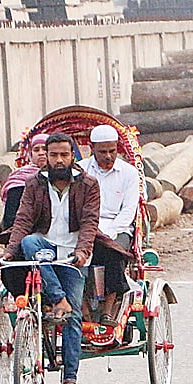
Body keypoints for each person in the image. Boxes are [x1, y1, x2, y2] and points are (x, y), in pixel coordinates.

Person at [1, 133, 100, 384]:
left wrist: (82, 251)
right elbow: (23, 219)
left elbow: (90, 222)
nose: (58, 160)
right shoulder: (34, 184)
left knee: (73, 315)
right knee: (29, 242)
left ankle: (70, 378)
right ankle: (57, 299)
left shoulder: (88, 185)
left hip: (73, 254)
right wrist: (10, 250)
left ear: (72, 156)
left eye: (64, 155)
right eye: (53, 154)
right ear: (46, 156)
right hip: (44, 248)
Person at [80, 124, 140, 326]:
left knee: (114, 252)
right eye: (102, 152)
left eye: (112, 151)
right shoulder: (80, 170)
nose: (108, 156)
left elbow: (129, 210)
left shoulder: (129, 173)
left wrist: (110, 232)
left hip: (118, 228)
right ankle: (83, 309)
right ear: (92, 149)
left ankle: (108, 308)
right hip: (86, 226)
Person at [1, 134, 49, 230]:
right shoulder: (20, 178)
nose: (41, 153)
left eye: (45, 149)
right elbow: (10, 219)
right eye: (36, 150)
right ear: (30, 154)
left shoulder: (61, 176)